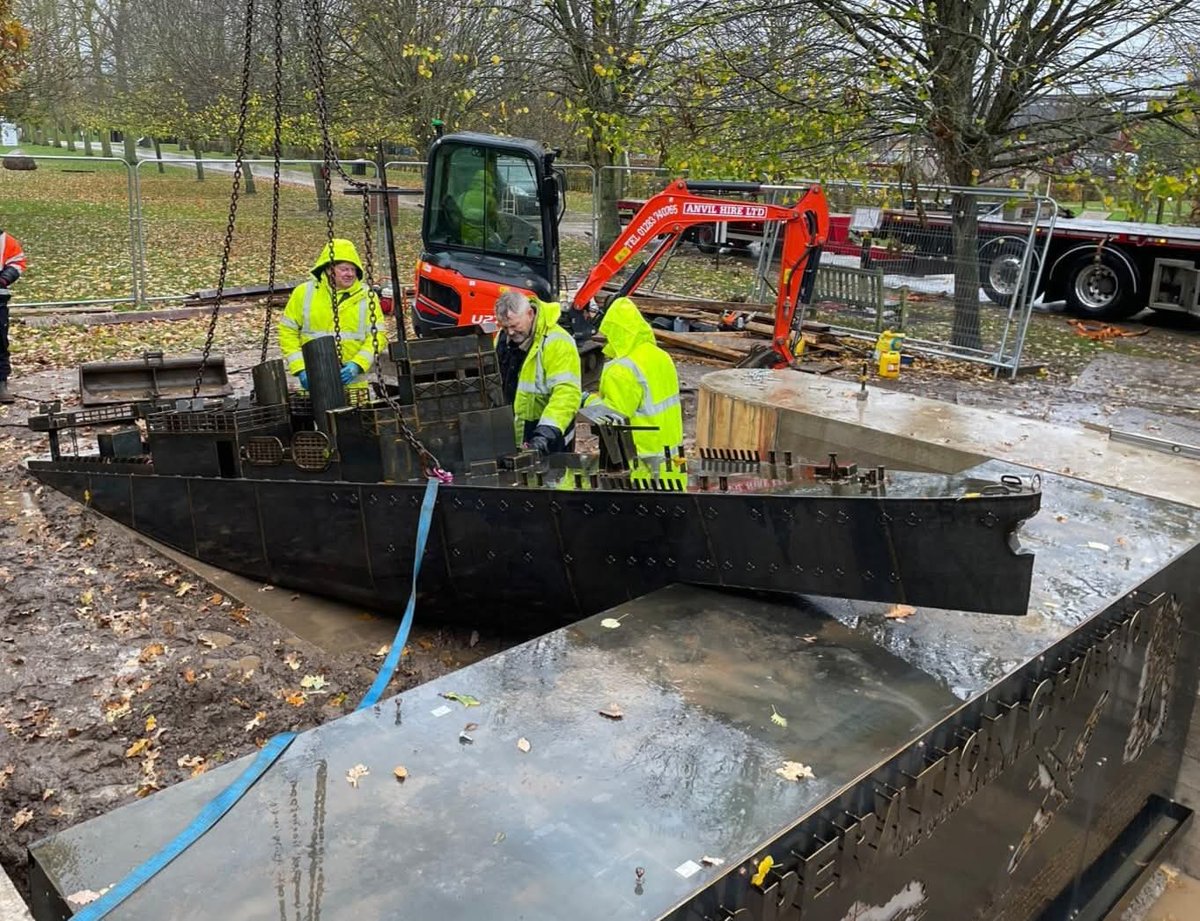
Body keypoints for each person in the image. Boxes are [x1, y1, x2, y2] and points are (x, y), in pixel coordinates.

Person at [584, 296, 683, 471]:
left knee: (640, 498)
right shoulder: (661, 356)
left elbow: (613, 417)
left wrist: (586, 400)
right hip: (671, 453)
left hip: (641, 459)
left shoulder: (621, 369)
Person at [279, 239, 387, 392]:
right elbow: (287, 332)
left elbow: (378, 336)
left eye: (353, 269)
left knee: (354, 415)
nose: (350, 274)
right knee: (313, 415)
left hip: (354, 387)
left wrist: (357, 364)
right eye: (344, 269)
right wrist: (300, 368)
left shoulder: (366, 296)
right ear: (330, 269)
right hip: (314, 382)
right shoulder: (303, 293)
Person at [494, 289, 581, 455]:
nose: (510, 333)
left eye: (514, 326)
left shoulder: (557, 342)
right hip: (514, 434)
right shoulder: (503, 338)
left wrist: (545, 434)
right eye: (505, 327)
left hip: (549, 437)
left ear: (530, 313)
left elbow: (567, 394)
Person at [0, 229, 27, 404]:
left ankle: (1, 383)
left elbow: (17, 262)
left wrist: (4, 279)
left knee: (0, 343)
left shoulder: (5, 240)